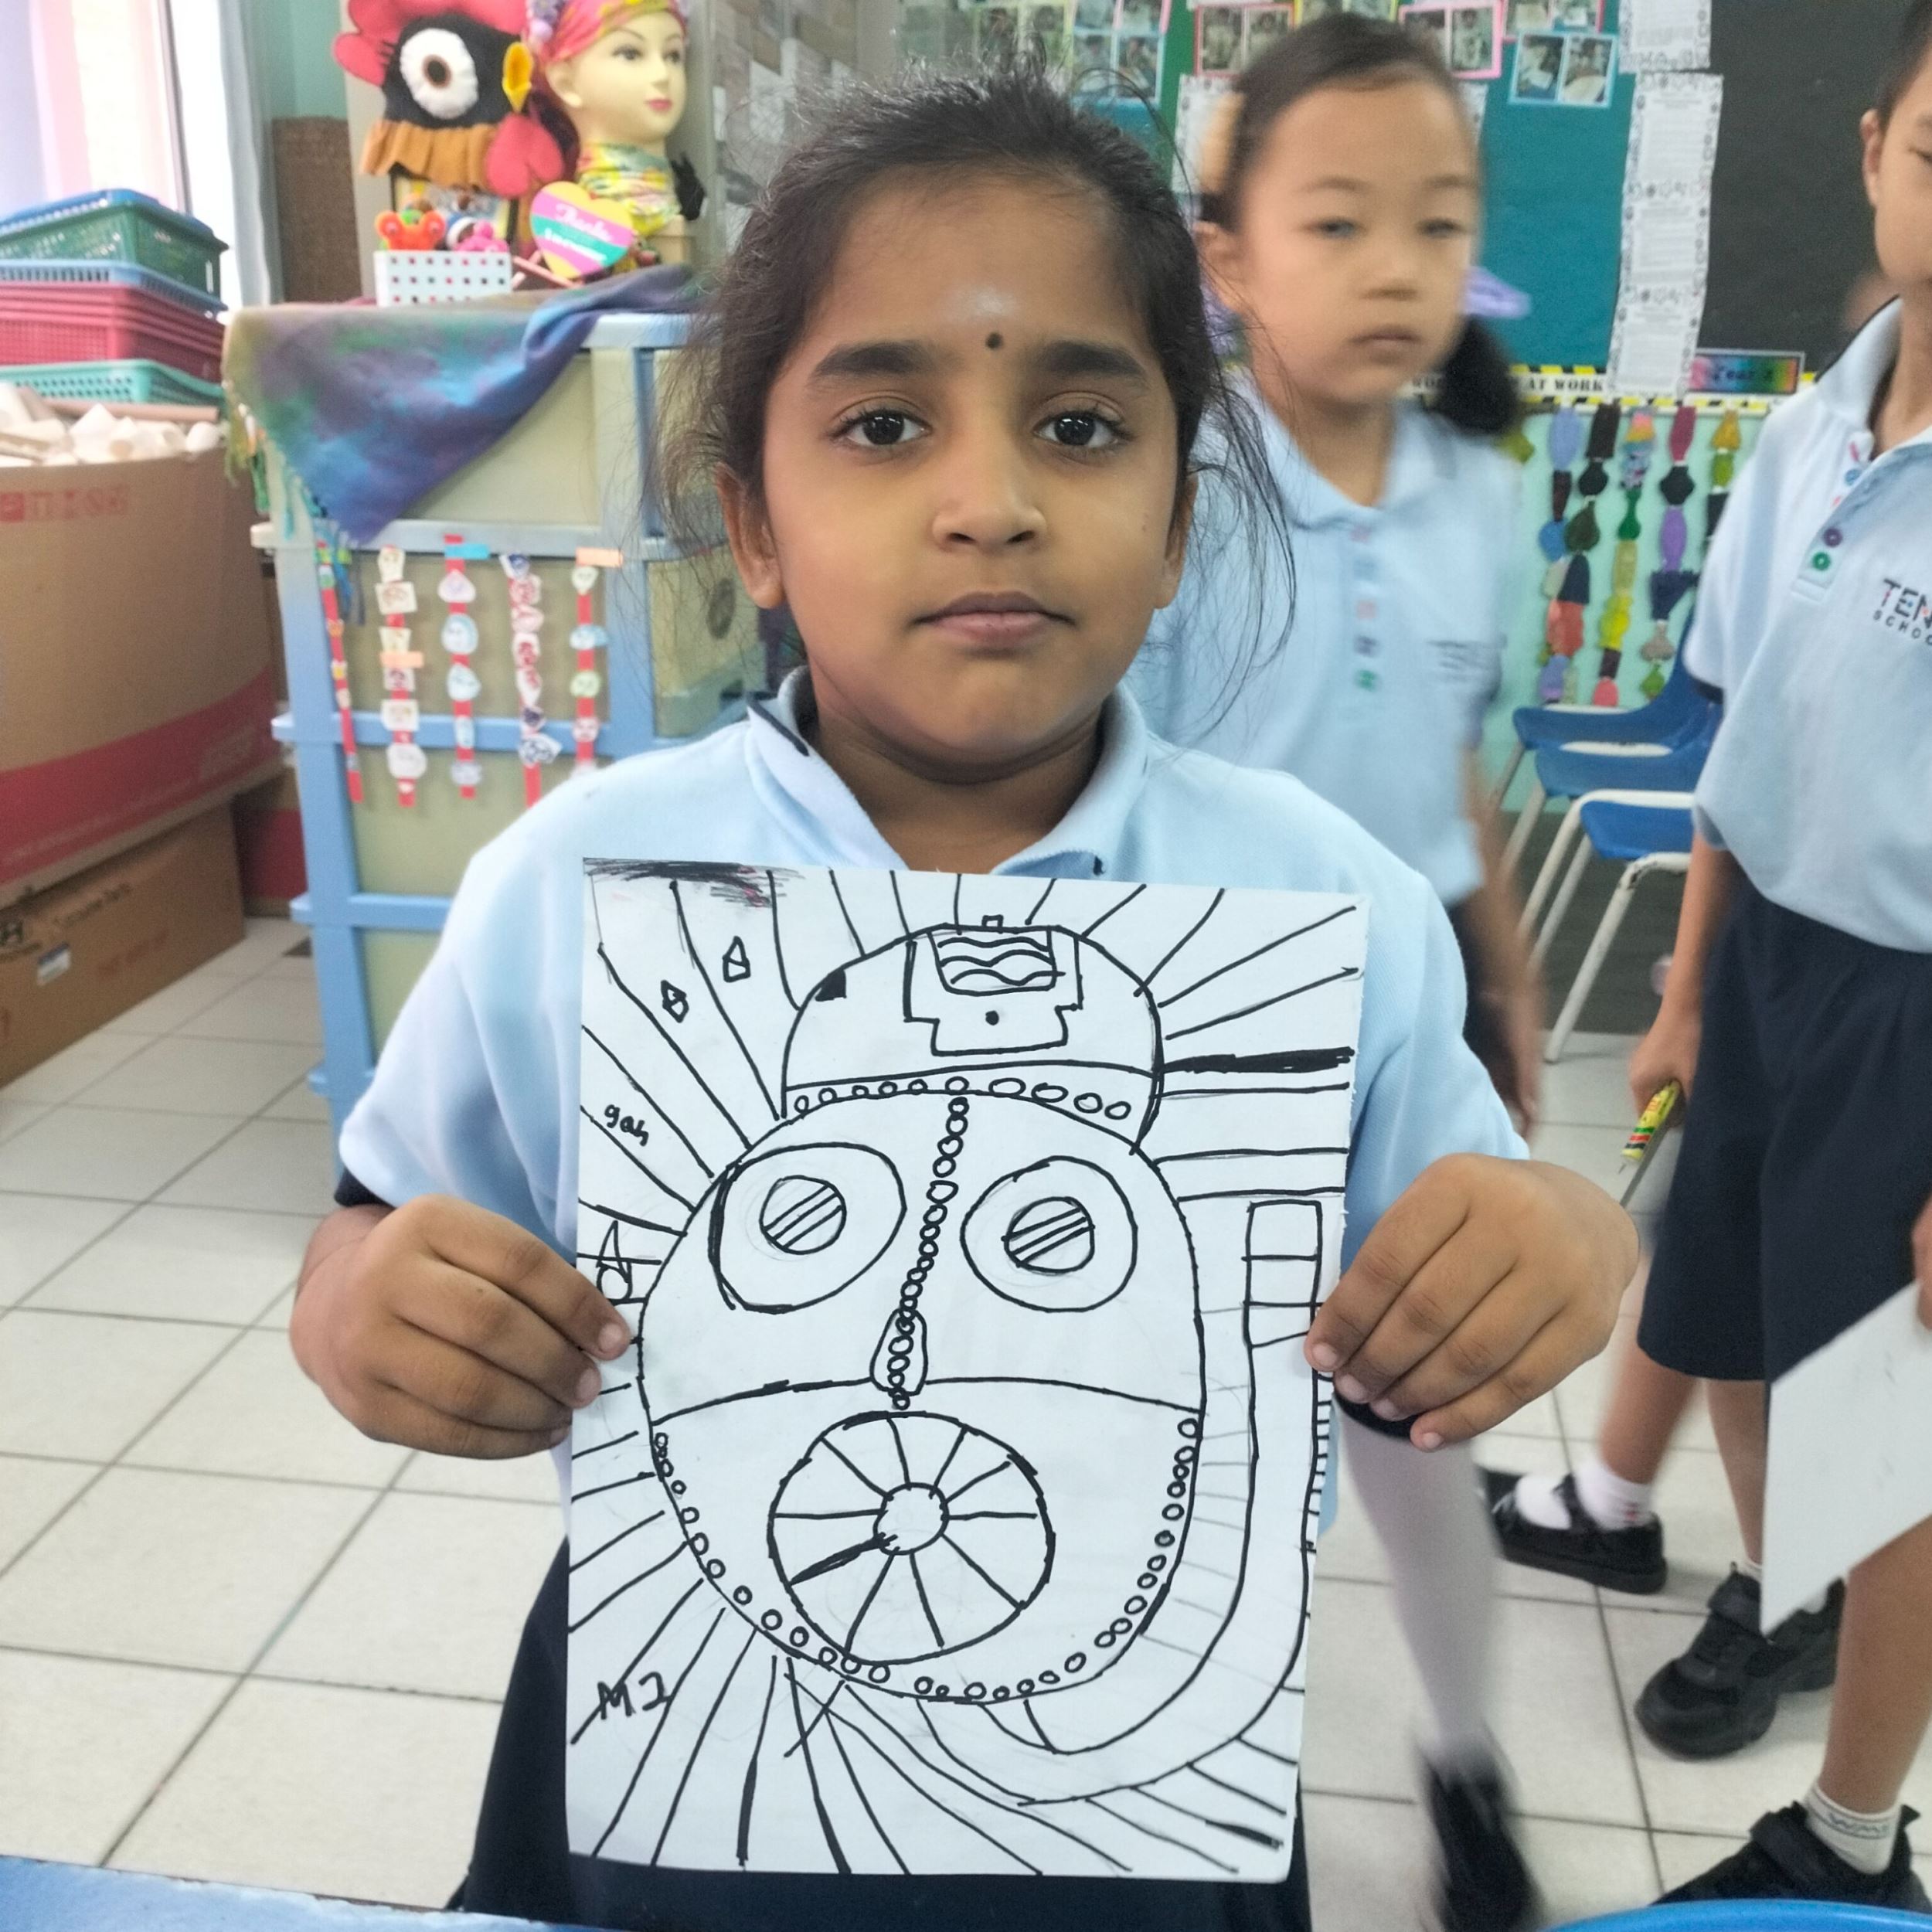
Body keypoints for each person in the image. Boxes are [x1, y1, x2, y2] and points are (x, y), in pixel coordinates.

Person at [288, 67, 1634, 1932]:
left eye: (1079, 425)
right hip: (682, 1766)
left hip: (1143, 1803)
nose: (989, 503)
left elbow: (1480, 1231)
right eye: (883, 424)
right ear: (752, 523)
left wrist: (1566, 1242)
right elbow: (363, 1226)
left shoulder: (1325, 903)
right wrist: (364, 1309)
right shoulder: (574, 884)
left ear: (1178, 520)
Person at [1515, 0, 1932, 1907]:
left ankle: (1850, 1834)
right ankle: (1776, 1587)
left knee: (1889, 1429)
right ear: (1870, 153)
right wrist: (1681, 988)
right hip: (1762, 959)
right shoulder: (1804, 433)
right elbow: (1737, 751)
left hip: (1909, 1009)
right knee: (1733, 1322)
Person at [1135, 22, 1547, 1928]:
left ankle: (1462, 1755)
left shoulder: (1478, 486)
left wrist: (1504, 995)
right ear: (1227, 256)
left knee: (1417, 1431)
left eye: (1436, 224)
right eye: (1337, 222)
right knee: (1183, 1437)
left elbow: (1452, 767)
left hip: (1407, 1023)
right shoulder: (1175, 476)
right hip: (1192, 1012)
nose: (1395, 267)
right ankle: (1157, 1753)